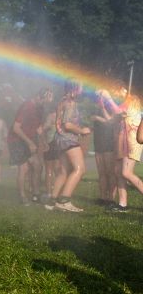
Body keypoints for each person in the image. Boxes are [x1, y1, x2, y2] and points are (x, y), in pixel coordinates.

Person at [46, 80, 90, 212]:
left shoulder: (62, 101)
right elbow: (67, 125)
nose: (82, 90)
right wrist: (82, 131)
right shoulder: (70, 103)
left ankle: (51, 201)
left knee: (63, 172)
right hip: (68, 140)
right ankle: (64, 200)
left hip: (59, 139)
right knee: (80, 169)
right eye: (81, 87)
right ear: (74, 89)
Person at [7, 88, 53, 205]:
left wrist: (43, 141)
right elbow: (16, 128)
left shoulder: (40, 108)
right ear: (39, 96)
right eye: (44, 101)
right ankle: (22, 197)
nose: (45, 104)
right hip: (17, 139)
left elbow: (38, 128)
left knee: (38, 165)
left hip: (29, 139)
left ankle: (36, 195)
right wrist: (29, 142)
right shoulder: (27, 106)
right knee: (24, 168)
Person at [101, 84, 143, 213]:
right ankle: (122, 204)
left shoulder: (133, 99)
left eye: (115, 91)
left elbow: (119, 112)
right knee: (118, 172)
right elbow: (112, 119)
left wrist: (108, 98)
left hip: (132, 141)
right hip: (122, 141)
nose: (114, 94)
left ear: (123, 89)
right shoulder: (123, 103)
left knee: (126, 173)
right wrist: (103, 105)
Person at [91, 88, 119, 207]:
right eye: (97, 96)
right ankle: (102, 197)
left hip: (109, 143)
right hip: (98, 143)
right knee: (101, 173)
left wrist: (99, 115)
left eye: (100, 96)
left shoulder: (111, 106)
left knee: (110, 173)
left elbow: (111, 122)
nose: (98, 98)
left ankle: (111, 199)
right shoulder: (96, 107)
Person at [38, 109, 60, 202]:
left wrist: (44, 142)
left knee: (53, 170)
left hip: (55, 144)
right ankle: (52, 193)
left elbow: (41, 131)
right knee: (53, 170)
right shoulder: (55, 116)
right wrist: (44, 143)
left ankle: (51, 193)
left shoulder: (52, 116)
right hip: (53, 144)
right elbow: (41, 130)